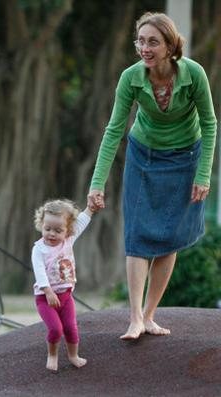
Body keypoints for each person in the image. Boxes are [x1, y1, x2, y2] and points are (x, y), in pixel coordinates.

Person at [87, 12, 217, 340]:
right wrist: (97, 182)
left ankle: (149, 315)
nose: (145, 47)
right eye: (140, 41)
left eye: (153, 42)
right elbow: (115, 128)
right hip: (142, 155)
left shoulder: (194, 74)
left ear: (170, 46)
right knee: (138, 234)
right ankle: (133, 318)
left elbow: (210, 123)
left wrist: (204, 175)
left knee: (169, 236)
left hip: (186, 157)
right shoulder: (131, 78)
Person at [32, 199, 93, 371]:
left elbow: (80, 222)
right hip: (45, 299)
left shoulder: (68, 241)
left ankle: (73, 356)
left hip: (66, 297)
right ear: (41, 225)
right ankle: (52, 355)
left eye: (58, 230)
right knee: (56, 329)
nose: (52, 234)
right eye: (47, 229)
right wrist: (48, 291)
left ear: (68, 231)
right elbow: (39, 271)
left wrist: (90, 208)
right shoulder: (39, 249)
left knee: (71, 328)